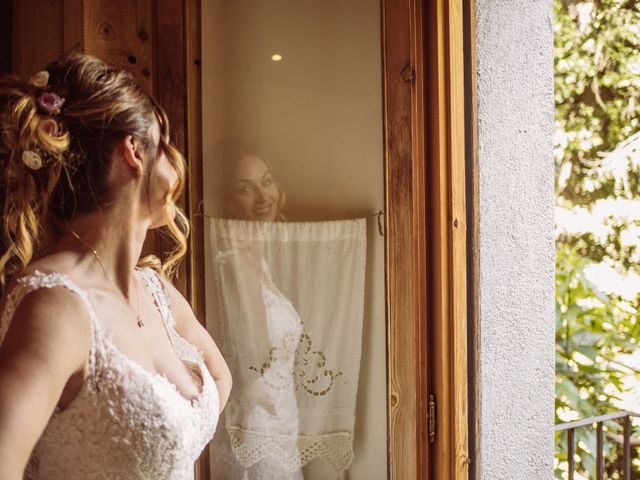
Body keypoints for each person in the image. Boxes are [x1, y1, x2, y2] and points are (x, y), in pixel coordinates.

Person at [0, 54, 232, 480]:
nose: (175, 162)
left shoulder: (156, 291)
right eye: (164, 145)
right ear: (134, 152)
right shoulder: (57, 307)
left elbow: (219, 380)